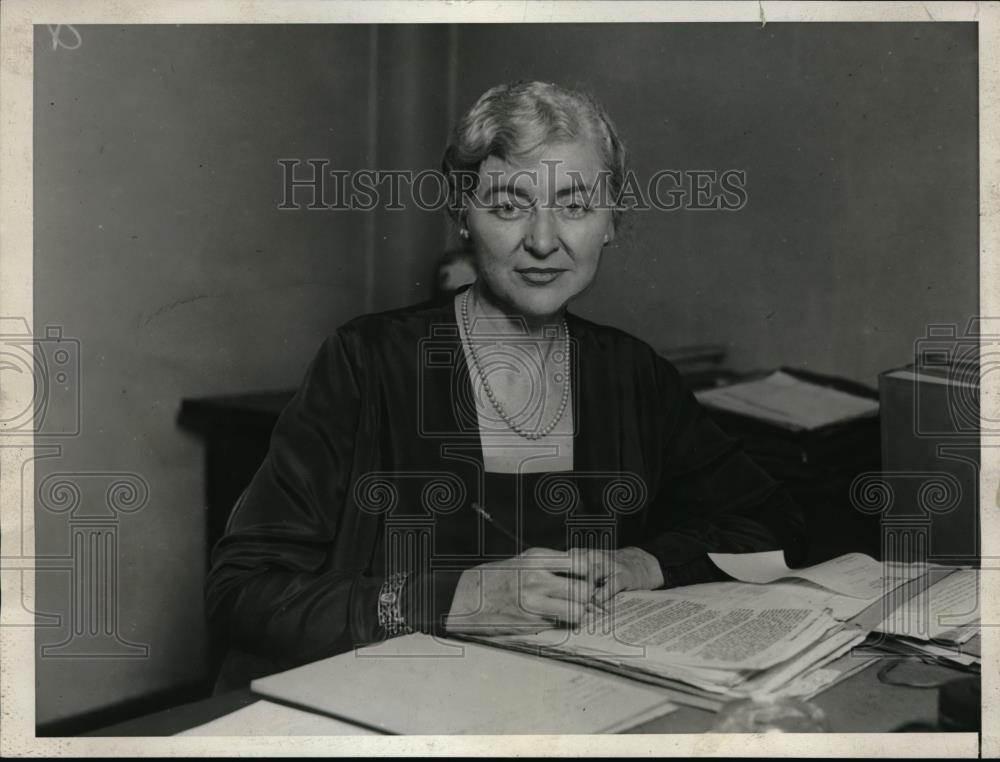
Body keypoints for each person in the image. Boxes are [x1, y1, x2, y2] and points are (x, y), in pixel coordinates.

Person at [205, 80, 806, 681]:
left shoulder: (631, 374)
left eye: (574, 206)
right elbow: (242, 592)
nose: (543, 242)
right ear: (461, 215)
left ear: (612, 221)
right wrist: (455, 600)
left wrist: (645, 563)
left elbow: (773, 521)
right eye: (508, 206)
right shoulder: (368, 361)